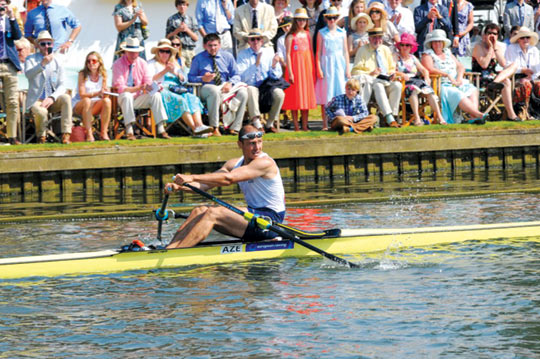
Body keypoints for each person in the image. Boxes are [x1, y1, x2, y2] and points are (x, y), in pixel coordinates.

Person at [165, 124, 286, 248]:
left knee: (213, 213)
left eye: (259, 142)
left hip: (270, 222)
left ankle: (176, 254)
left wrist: (191, 177)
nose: (257, 147)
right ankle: (170, 249)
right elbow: (204, 185)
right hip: (254, 215)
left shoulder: (265, 163)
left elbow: (229, 179)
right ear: (240, 144)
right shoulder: (233, 164)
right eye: (252, 143)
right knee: (199, 210)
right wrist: (179, 186)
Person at [148, 39, 211, 137]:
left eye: (167, 51)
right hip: (162, 90)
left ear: (170, 53)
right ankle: (195, 130)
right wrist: (165, 71)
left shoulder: (173, 64)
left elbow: (184, 80)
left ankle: (199, 125)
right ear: (157, 52)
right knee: (180, 100)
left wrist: (175, 73)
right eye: (162, 51)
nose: (165, 54)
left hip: (177, 88)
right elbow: (150, 80)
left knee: (193, 98)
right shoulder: (151, 63)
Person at [188, 33, 248, 136]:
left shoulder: (228, 56)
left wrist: (230, 83)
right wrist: (202, 78)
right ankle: (214, 127)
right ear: (204, 46)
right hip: (205, 87)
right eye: (210, 45)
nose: (213, 48)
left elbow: (236, 75)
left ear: (219, 45)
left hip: (224, 86)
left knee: (243, 92)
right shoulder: (198, 58)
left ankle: (235, 128)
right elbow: (190, 77)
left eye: (215, 45)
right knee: (214, 91)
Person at [421, 29, 486, 124]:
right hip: (441, 83)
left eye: (440, 41)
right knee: (457, 93)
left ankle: (473, 116)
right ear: (431, 43)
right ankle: (478, 114)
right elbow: (429, 69)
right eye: (435, 41)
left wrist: (459, 78)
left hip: (455, 81)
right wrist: (447, 75)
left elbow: (460, 66)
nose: (437, 43)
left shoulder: (447, 52)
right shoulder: (427, 54)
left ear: (443, 43)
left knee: (472, 89)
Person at [112, 37, 171, 140]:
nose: (134, 54)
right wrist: (139, 87)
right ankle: (129, 130)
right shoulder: (117, 64)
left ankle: (161, 129)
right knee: (126, 96)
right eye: (131, 52)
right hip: (122, 99)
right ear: (125, 51)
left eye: (136, 52)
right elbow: (121, 88)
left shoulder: (142, 63)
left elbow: (148, 81)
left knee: (156, 95)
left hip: (138, 97)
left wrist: (154, 87)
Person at [25, 31, 72, 144]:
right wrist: (42, 64)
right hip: (37, 100)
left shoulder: (58, 60)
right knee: (41, 112)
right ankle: (41, 137)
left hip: (51, 99)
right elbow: (28, 74)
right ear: (37, 45)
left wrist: (52, 97)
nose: (46, 46)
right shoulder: (30, 59)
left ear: (52, 45)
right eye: (43, 44)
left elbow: (62, 84)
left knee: (66, 98)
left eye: (49, 43)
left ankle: (66, 134)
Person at [352, 27, 402, 127]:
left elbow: (391, 67)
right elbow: (355, 71)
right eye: (374, 38)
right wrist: (371, 73)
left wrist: (392, 74)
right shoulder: (362, 50)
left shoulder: (385, 49)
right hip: (370, 87)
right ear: (369, 38)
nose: (377, 40)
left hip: (386, 82)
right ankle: (389, 118)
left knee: (397, 85)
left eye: (379, 38)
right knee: (378, 85)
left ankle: (393, 115)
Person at [237, 29, 285, 133]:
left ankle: (270, 123)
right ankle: (257, 123)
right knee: (251, 89)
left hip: (266, 87)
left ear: (262, 41)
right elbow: (242, 77)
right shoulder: (242, 55)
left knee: (279, 94)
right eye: (252, 39)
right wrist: (256, 65)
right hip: (251, 85)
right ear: (248, 41)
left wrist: (273, 65)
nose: (255, 42)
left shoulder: (269, 53)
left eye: (258, 39)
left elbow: (277, 76)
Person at [394, 33, 445, 125]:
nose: (405, 47)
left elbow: (423, 69)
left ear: (411, 47)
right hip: (404, 82)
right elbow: (391, 71)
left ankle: (440, 117)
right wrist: (401, 74)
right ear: (400, 46)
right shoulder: (396, 57)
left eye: (407, 45)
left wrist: (426, 77)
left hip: (416, 80)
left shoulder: (413, 58)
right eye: (402, 45)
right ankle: (417, 118)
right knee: (413, 90)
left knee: (429, 92)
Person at [471, 23, 518, 121]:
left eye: (495, 34)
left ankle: (510, 113)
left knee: (513, 66)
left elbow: (503, 64)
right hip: (480, 79)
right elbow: (484, 65)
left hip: (493, 78)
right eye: (489, 33)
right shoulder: (478, 47)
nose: (492, 35)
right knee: (506, 82)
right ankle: (511, 114)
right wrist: (490, 48)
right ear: (484, 35)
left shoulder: (497, 48)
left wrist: (495, 47)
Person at [315, 7, 350, 130]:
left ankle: (341, 121)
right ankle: (325, 123)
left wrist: (347, 69)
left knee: (340, 92)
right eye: (329, 18)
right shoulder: (321, 33)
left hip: (339, 64)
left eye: (334, 18)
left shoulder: (342, 33)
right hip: (327, 64)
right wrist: (318, 68)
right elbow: (318, 52)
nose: (332, 20)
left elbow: (345, 51)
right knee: (326, 93)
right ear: (326, 19)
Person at [281, 8, 317, 131]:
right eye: (299, 20)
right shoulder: (290, 36)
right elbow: (288, 55)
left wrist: (313, 69)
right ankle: (296, 125)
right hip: (295, 68)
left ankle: (305, 125)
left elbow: (311, 52)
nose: (301, 22)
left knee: (305, 97)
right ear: (295, 21)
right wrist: (290, 71)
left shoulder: (308, 35)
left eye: (303, 20)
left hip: (306, 68)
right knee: (295, 98)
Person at [72, 51, 112, 142]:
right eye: (88, 61)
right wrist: (98, 93)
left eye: (93, 61)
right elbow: (82, 94)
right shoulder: (82, 74)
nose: (91, 63)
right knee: (87, 101)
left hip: (95, 104)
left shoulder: (103, 74)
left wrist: (106, 93)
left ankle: (104, 133)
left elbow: (104, 93)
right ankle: (89, 134)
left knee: (107, 101)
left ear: (99, 62)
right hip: (81, 104)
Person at [504, 26, 540, 121]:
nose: (525, 39)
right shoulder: (511, 49)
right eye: (522, 37)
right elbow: (508, 67)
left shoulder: (534, 50)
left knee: (538, 85)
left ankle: (536, 113)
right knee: (525, 85)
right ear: (518, 39)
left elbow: (538, 69)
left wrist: (530, 77)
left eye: (527, 37)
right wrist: (522, 70)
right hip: (515, 78)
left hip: (532, 77)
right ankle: (523, 113)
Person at [0, 1, 22, 145]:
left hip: (9, 64)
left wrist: (12, 17)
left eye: (3, 4)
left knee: (13, 102)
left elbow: (17, 36)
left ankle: (12, 136)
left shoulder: (10, 20)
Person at [165, 0, 199, 68]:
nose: (182, 7)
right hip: (177, 50)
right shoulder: (171, 19)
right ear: (176, 6)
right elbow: (167, 37)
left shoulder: (192, 19)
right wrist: (177, 30)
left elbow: (196, 38)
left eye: (184, 5)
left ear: (187, 6)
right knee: (178, 70)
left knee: (192, 71)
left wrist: (187, 29)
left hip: (190, 50)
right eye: (180, 5)